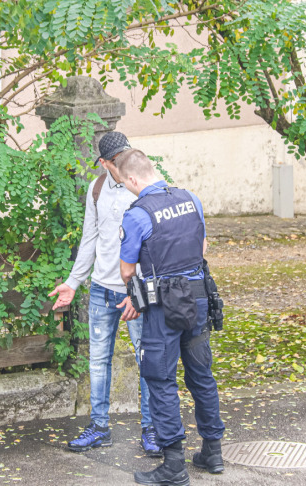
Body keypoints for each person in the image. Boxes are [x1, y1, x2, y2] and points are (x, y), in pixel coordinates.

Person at [114, 149, 225, 486]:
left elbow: (126, 270)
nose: (126, 188)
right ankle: (212, 451)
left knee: (160, 379)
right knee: (201, 374)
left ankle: (173, 464)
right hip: (199, 298)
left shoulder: (137, 215)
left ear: (133, 179)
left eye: (123, 183)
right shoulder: (191, 198)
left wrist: (137, 295)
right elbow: (203, 246)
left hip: (164, 307)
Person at [49, 132, 160, 456]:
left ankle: (151, 429)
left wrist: (139, 292)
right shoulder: (96, 188)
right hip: (101, 290)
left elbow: (154, 245)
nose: (125, 164)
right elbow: (89, 239)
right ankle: (99, 427)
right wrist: (73, 282)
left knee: (146, 360)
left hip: (135, 293)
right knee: (98, 362)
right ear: (104, 163)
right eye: (118, 161)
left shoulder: (142, 186)